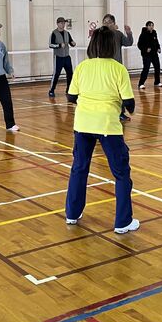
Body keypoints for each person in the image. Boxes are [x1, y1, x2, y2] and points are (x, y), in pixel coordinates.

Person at [65, 26, 139, 234]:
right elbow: (129, 102)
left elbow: (71, 97)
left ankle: (72, 213)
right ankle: (123, 222)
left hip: (82, 125)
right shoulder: (118, 69)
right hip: (108, 126)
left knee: (79, 168)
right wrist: (124, 108)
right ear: (112, 46)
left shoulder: (82, 67)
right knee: (121, 173)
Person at [101, 13, 134, 120]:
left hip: (117, 67)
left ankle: (120, 112)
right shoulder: (100, 35)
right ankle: (106, 111)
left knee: (119, 91)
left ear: (114, 23)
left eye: (109, 22)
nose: (106, 24)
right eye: (105, 22)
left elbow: (128, 43)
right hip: (104, 67)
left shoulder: (118, 34)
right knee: (106, 90)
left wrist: (129, 33)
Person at [48, 17, 76, 97]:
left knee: (70, 74)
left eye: (64, 23)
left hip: (67, 57)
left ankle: (69, 89)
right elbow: (51, 45)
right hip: (58, 57)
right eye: (61, 23)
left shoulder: (67, 33)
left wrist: (73, 43)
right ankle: (51, 90)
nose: (63, 25)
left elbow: (70, 42)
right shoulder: (54, 33)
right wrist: (59, 45)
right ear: (57, 24)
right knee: (56, 74)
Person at [137, 21, 162, 89]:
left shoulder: (154, 33)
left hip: (154, 54)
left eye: (152, 25)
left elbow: (156, 42)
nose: (151, 27)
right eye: (150, 25)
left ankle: (157, 82)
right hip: (146, 55)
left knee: (157, 67)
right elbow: (139, 45)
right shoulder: (143, 34)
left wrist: (158, 48)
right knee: (146, 68)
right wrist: (146, 49)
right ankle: (141, 83)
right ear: (147, 26)